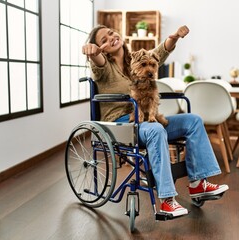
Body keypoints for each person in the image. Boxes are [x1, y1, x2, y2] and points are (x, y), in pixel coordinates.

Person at [82, 25, 229, 217]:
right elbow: (97, 61)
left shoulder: (134, 59)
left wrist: (174, 37)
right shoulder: (104, 68)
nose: (111, 38)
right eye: (103, 40)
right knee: (155, 130)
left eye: (111, 33)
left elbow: (159, 52)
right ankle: (167, 200)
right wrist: (91, 51)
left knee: (193, 120)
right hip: (121, 124)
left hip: (145, 122)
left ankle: (198, 184)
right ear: (101, 48)